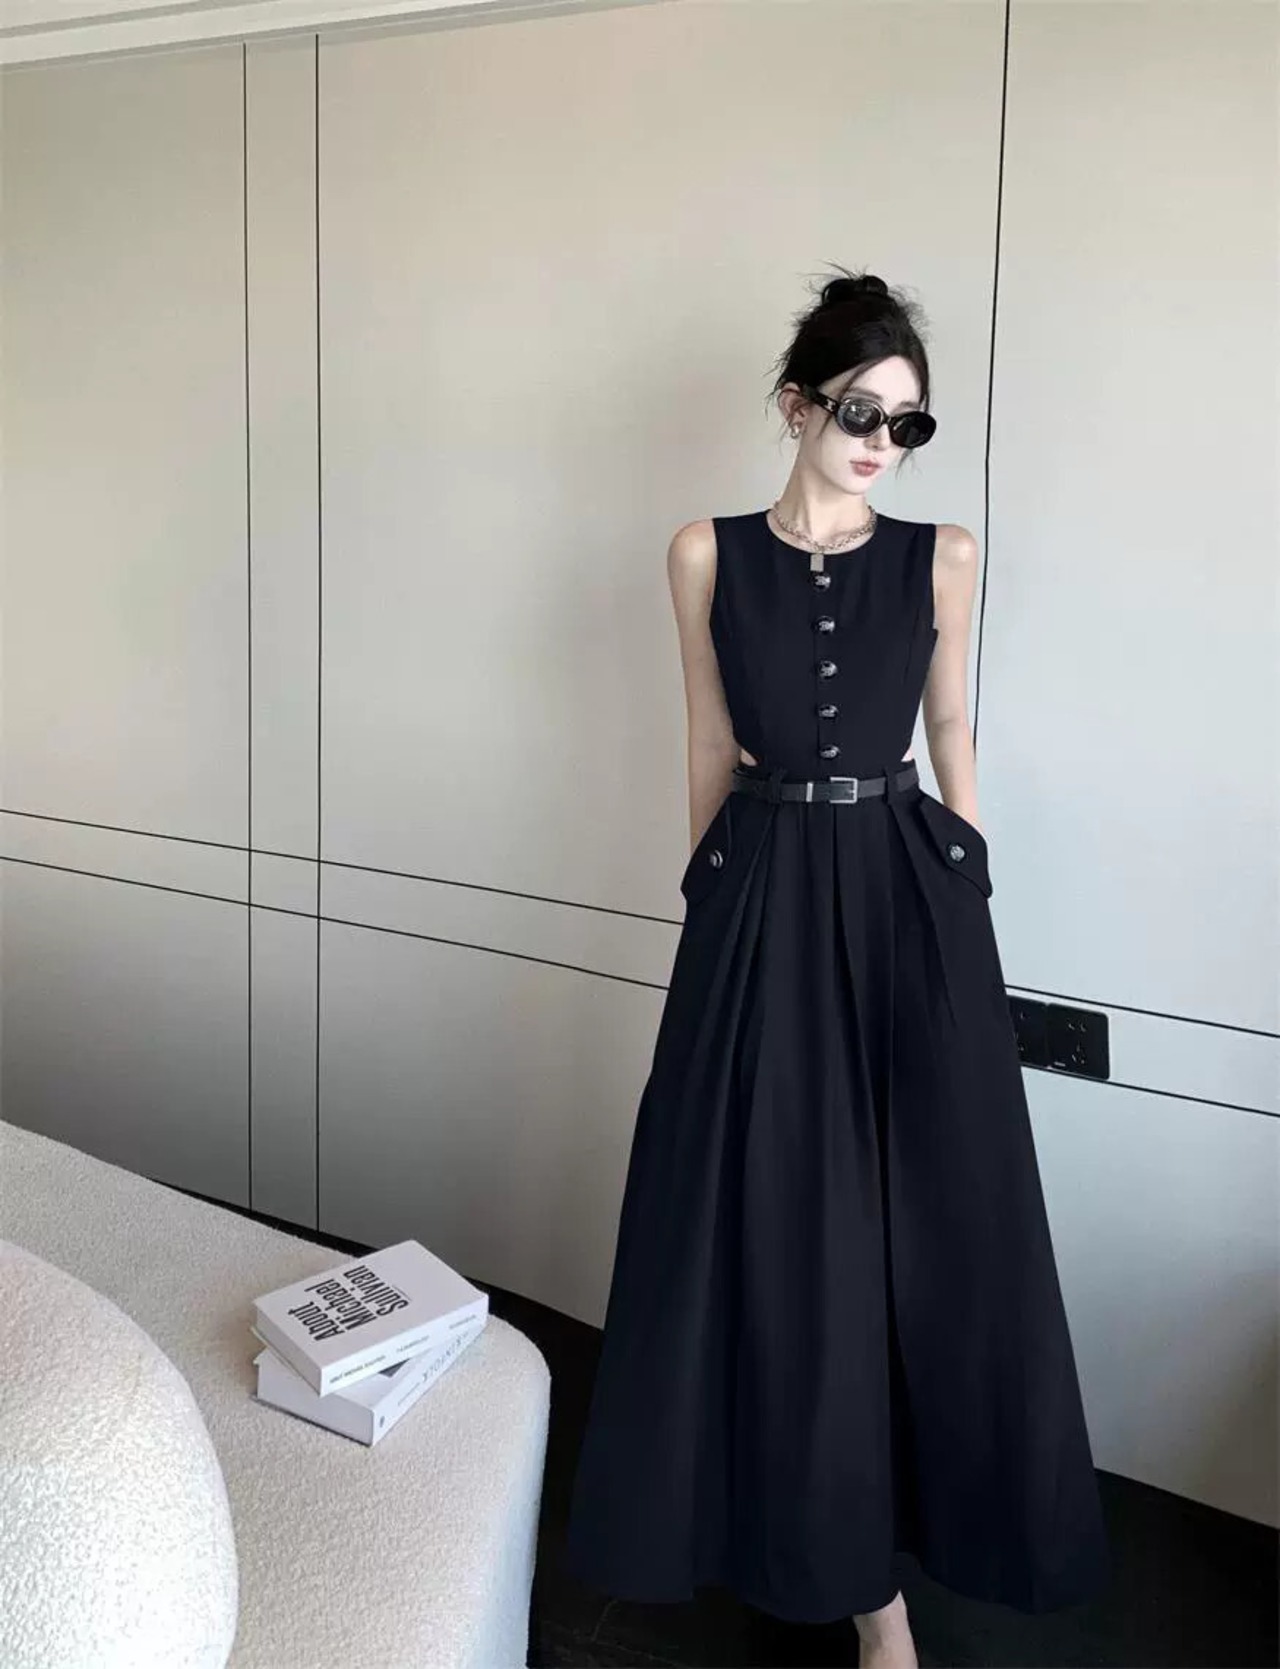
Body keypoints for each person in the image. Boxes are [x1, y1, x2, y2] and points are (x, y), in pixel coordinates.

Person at [563, 267, 1111, 1669]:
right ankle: (790, 1536)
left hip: (902, 895)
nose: (882, 443)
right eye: (861, 411)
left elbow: (950, 726)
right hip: (756, 891)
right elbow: (707, 736)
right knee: (761, 1211)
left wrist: (966, 874)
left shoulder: (943, 555)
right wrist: (710, 888)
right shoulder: (703, 553)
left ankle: (889, 1587)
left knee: (922, 1215)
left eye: (907, 424)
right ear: (798, 402)